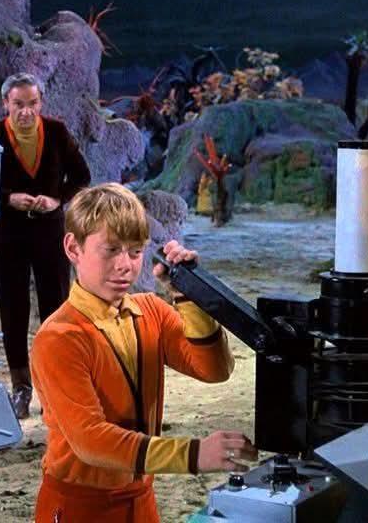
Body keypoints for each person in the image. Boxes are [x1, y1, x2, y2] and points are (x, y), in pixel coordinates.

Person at [30, 183, 257, 523]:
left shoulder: (151, 311)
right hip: (79, 506)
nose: (125, 265)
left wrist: (190, 294)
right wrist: (194, 454)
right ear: (73, 248)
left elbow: (214, 369)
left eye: (135, 252)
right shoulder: (60, 337)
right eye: (111, 250)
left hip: (141, 500)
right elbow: (91, 440)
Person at [0, 73, 91, 419]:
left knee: (56, 308)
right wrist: (8, 198)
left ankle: (55, 386)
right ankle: (21, 388)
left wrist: (56, 199)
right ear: (6, 104)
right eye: (18, 104)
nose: (26, 112)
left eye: (32, 103)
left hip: (50, 232)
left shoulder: (58, 133)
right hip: (8, 234)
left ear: (41, 103)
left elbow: (81, 177)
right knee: (13, 311)